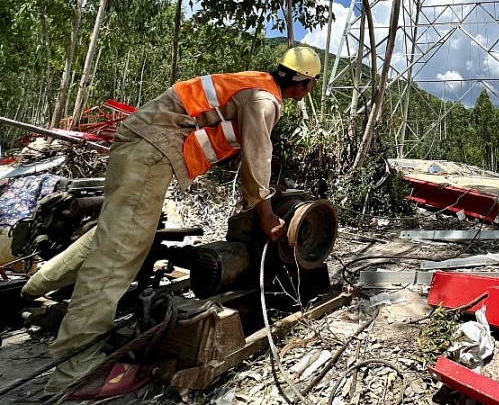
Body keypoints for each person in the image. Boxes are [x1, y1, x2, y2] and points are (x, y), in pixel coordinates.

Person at [21, 47, 321, 399]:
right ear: (304, 86)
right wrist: (268, 216)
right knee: (118, 254)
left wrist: (256, 200)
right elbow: (258, 158)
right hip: (151, 149)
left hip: (142, 143)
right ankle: (76, 370)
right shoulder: (264, 99)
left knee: (112, 235)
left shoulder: (252, 83)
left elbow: (240, 159)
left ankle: (34, 289)